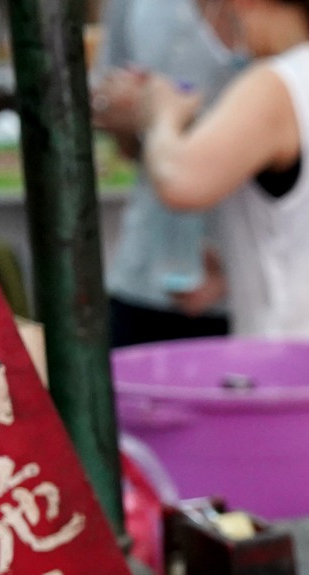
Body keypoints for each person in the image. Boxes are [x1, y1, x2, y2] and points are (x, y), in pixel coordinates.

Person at [133, 0, 309, 340]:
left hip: (304, 359)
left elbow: (178, 179)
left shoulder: (279, 85)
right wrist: (235, 272)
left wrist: (161, 114)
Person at [90, 0, 238, 347]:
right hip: (145, 269)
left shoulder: (274, 23)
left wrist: (165, 117)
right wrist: (122, 109)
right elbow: (118, 124)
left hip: (245, 276)